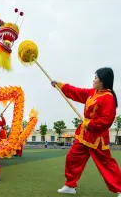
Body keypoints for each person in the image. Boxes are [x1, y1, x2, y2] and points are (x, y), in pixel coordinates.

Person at [51, 67, 121, 197]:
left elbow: (107, 120)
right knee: (72, 157)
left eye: (96, 78)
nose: (93, 80)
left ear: (102, 81)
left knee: (106, 165)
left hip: (97, 138)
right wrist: (60, 85)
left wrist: (91, 124)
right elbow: (77, 92)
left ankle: (120, 188)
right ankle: (70, 185)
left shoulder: (108, 98)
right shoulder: (92, 92)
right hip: (84, 135)